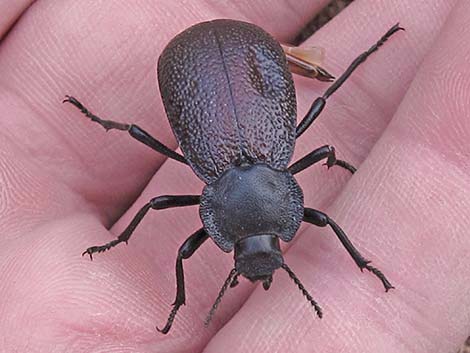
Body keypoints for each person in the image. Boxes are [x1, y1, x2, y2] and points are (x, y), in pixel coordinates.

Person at [0, 0, 468, 352]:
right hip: (221, 62)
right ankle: (362, 265)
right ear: (282, 219)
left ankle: (363, 60)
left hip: (219, 65)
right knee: (319, 128)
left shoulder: (262, 181)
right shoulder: (264, 177)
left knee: (321, 119)